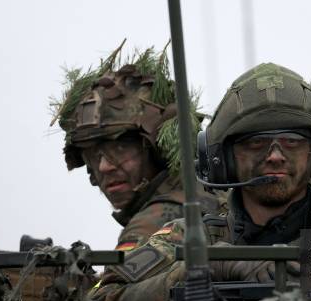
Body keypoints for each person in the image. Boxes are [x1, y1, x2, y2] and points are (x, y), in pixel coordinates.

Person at [86, 63, 311, 301]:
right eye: (255, 143)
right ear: (222, 161)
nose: (274, 155)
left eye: (291, 141)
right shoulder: (188, 239)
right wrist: (206, 271)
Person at [52, 44, 221, 252]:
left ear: (158, 149)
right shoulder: (206, 194)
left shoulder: (153, 223)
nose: (104, 167)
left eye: (120, 149)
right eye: (93, 155)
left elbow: (115, 284)